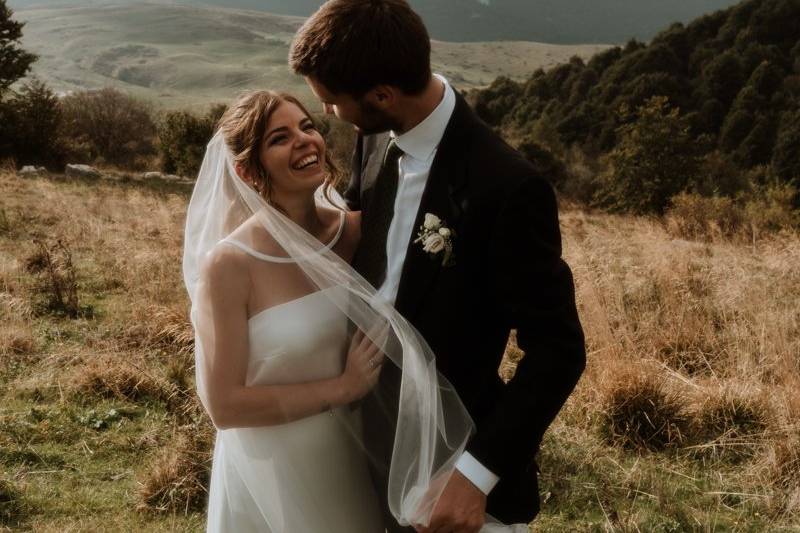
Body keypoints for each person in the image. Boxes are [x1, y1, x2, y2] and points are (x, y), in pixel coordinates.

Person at [289, 1, 587, 532]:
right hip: (360, 443)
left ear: (382, 96)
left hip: (450, 463)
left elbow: (558, 350)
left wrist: (475, 475)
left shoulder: (508, 186)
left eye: (332, 103)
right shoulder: (373, 135)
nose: (330, 115)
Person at [183, 91, 481, 531]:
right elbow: (223, 405)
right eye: (279, 138)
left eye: (307, 127)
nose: (305, 141)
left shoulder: (356, 233)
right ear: (247, 171)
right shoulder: (230, 265)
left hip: (351, 455)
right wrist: (342, 388)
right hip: (271, 467)